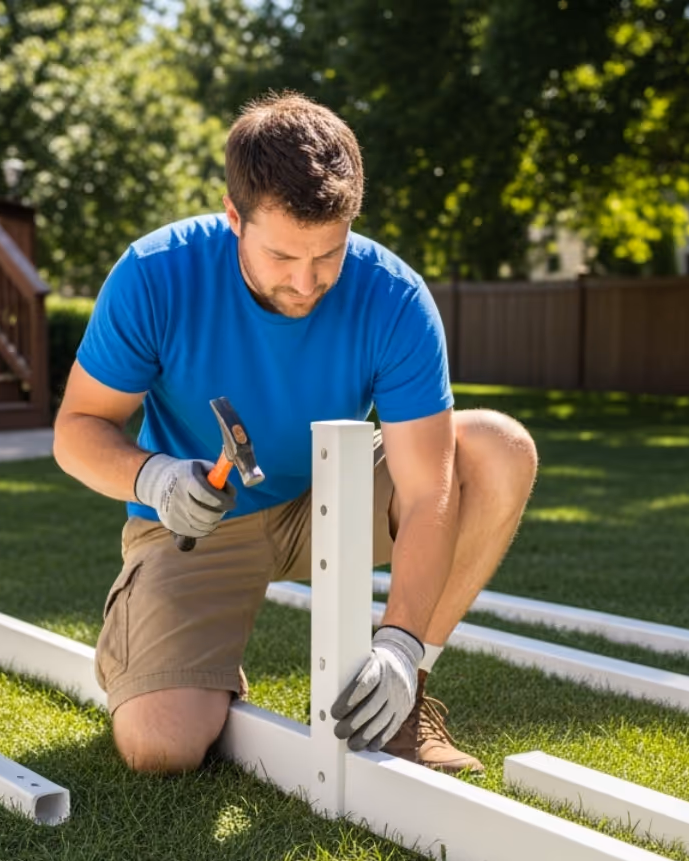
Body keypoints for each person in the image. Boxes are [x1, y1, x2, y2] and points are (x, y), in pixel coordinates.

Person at [52, 92, 537, 776]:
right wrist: (153, 478)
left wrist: (400, 645)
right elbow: (76, 430)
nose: (306, 283)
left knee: (497, 448)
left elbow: (429, 488)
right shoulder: (154, 274)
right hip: (196, 517)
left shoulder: (394, 297)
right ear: (233, 215)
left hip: (328, 501)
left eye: (328, 255)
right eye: (282, 256)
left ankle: (404, 702)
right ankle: (181, 665)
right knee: (159, 747)